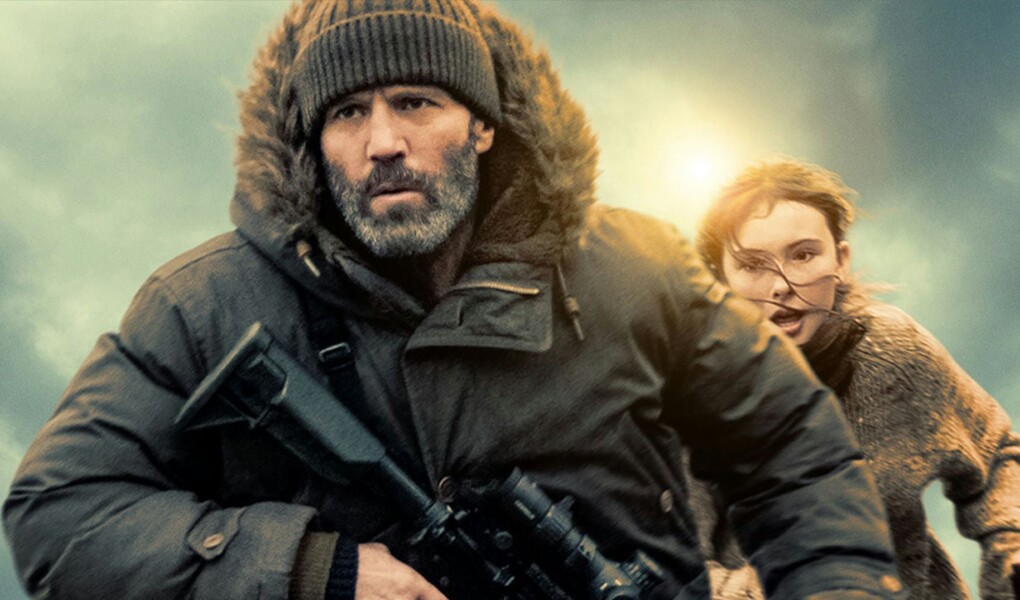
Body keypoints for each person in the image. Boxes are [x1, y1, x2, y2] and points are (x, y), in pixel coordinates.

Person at [3, 2, 905, 599]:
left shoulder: (634, 266)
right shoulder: (202, 303)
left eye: (416, 102)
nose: (383, 142)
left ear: (481, 123)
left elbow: (794, 450)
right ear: (315, 144)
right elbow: (61, 514)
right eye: (348, 113)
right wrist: (314, 570)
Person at [695, 158, 1020, 600]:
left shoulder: (896, 352)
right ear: (721, 278)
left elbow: (995, 456)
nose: (780, 286)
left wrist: (1011, 561)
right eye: (752, 265)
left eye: (803, 255)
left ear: (841, 260)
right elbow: (665, 559)